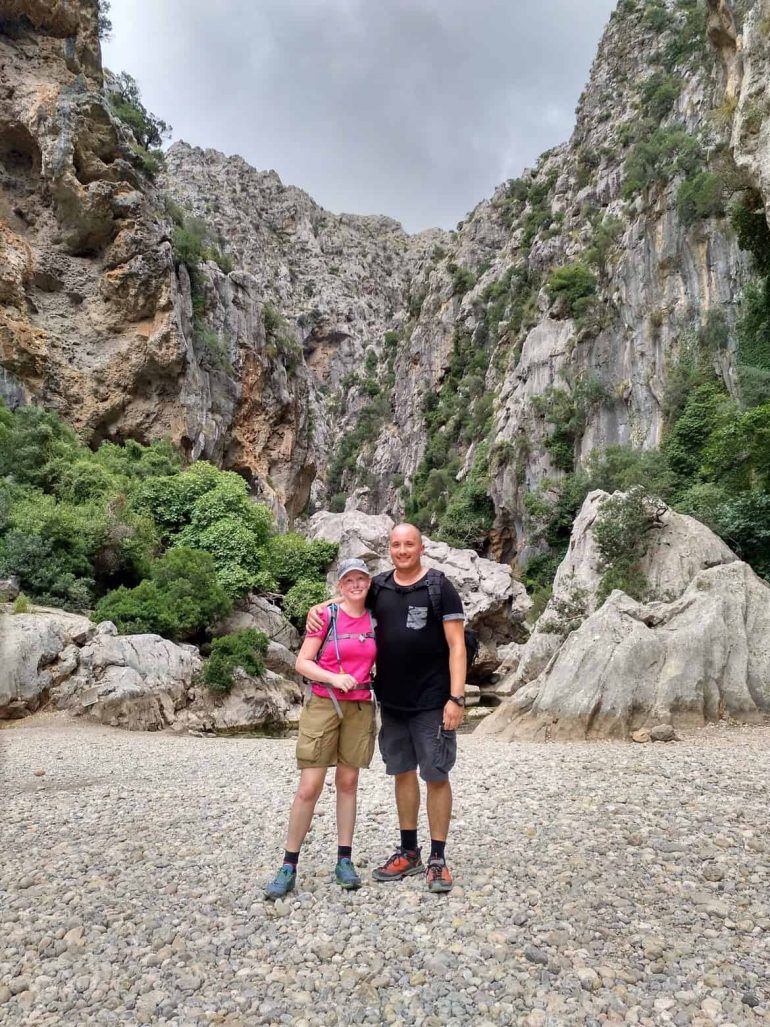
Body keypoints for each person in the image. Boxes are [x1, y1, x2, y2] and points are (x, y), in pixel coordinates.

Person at [308, 523, 466, 894]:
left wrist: (456, 698)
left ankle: (438, 858)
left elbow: (457, 646)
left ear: (421, 547)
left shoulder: (439, 587)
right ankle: (409, 851)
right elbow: (349, 603)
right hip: (392, 702)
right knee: (402, 773)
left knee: (437, 774)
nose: (402, 550)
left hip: (432, 700)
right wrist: (319, 608)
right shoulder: (379, 586)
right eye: (396, 545)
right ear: (389, 549)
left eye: (409, 544)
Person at [264, 557, 377, 900]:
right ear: (340, 585)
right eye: (349, 580)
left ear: (369, 583)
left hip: (360, 706)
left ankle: (344, 859)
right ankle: (288, 864)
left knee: (348, 781)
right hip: (324, 703)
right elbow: (303, 663)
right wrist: (334, 678)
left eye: (362, 579)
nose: (356, 584)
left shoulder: (376, 617)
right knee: (309, 787)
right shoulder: (325, 617)